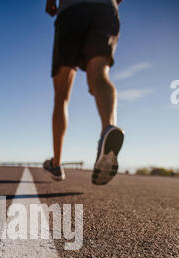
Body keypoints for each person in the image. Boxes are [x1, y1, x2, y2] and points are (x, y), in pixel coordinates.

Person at [43, 0, 124, 184]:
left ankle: (56, 163)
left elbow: (50, 6)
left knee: (61, 96)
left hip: (72, 10)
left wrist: (50, 2)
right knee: (100, 76)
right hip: (105, 9)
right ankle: (108, 129)